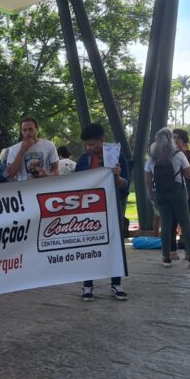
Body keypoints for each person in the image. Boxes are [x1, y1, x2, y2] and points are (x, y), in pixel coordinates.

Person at [74, 123, 129, 301]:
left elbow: (125, 185)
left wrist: (117, 176)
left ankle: (116, 283)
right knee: (88, 245)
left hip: (112, 207)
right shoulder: (83, 160)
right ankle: (87, 285)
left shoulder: (117, 156)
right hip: (89, 209)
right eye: (87, 145)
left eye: (92, 144)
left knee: (114, 244)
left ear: (102, 140)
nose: (89, 148)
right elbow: (75, 183)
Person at [144, 128, 190, 268]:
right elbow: (189, 174)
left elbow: (147, 180)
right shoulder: (178, 154)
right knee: (185, 222)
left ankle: (166, 257)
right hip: (178, 191)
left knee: (166, 224)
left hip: (160, 193)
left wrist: (152, 196)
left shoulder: (152, 158)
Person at [170, 128, 190, 257]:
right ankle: (172, 250)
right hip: (173, 189)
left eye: (177, 137)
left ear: (184, 140)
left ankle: (186, 247)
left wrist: (180, 160)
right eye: (173, 137)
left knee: (187, 219)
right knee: (172, 219)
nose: (175, 140)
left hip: (188, 189)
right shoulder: (168, 153)